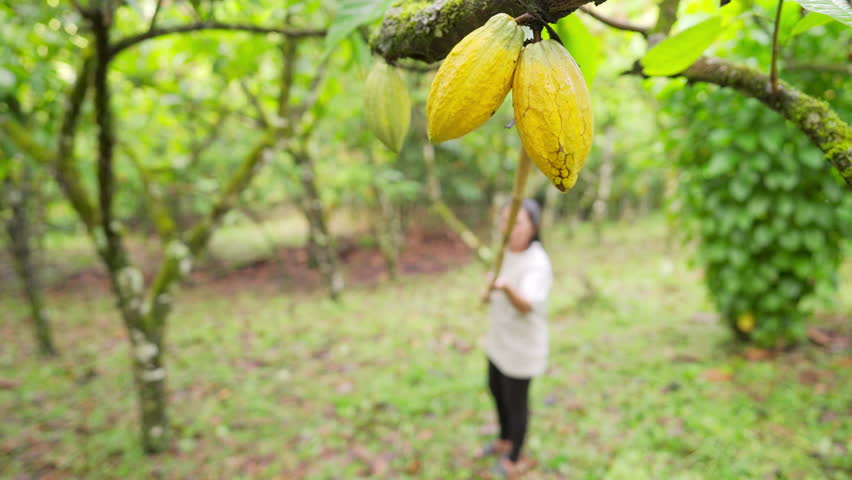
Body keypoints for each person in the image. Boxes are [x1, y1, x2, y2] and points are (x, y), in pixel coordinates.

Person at [479, 198, 553, 479]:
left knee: (516, 402)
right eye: (505, 221)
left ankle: (514, 456)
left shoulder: (538, 263)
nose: (509, 228)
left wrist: (506, 288)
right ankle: (504, 438)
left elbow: (527, 304)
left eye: (517, 222)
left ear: (533, 227)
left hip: (522, 348)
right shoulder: (505, 252)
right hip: (499, 341)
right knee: (495, 389)